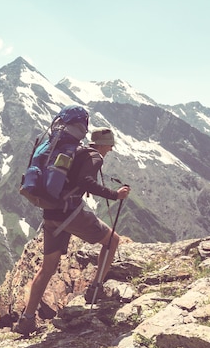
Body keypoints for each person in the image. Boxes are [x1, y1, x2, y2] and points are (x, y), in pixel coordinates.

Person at [16, 127, 131, 336]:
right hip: (70, 215)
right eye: (110, 144)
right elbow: (85, 182)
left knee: (47, 269)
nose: (111, 148)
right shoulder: (94, 157)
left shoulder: (76, 151)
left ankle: (27, 319)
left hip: (51, 214)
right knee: (112, 241)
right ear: (102, 143)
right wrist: (115, 195)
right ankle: (96, 290)